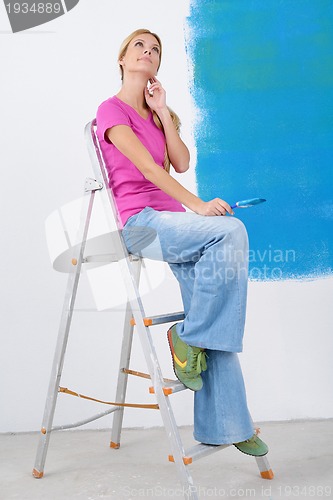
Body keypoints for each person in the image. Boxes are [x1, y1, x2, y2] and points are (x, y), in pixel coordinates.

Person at [96, 29, 268, 455]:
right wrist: (199, 206)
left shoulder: (157, 114)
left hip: (173, 224)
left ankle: (226, 421)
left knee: (214, 318)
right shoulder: (110, 110)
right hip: (141, 223)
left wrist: (162, 110)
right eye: (140, 45)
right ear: (122, 57)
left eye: (155, 50)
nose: (148, 52)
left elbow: (181, 161)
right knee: (231, 231)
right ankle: (189, 338)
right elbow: (152, 172)